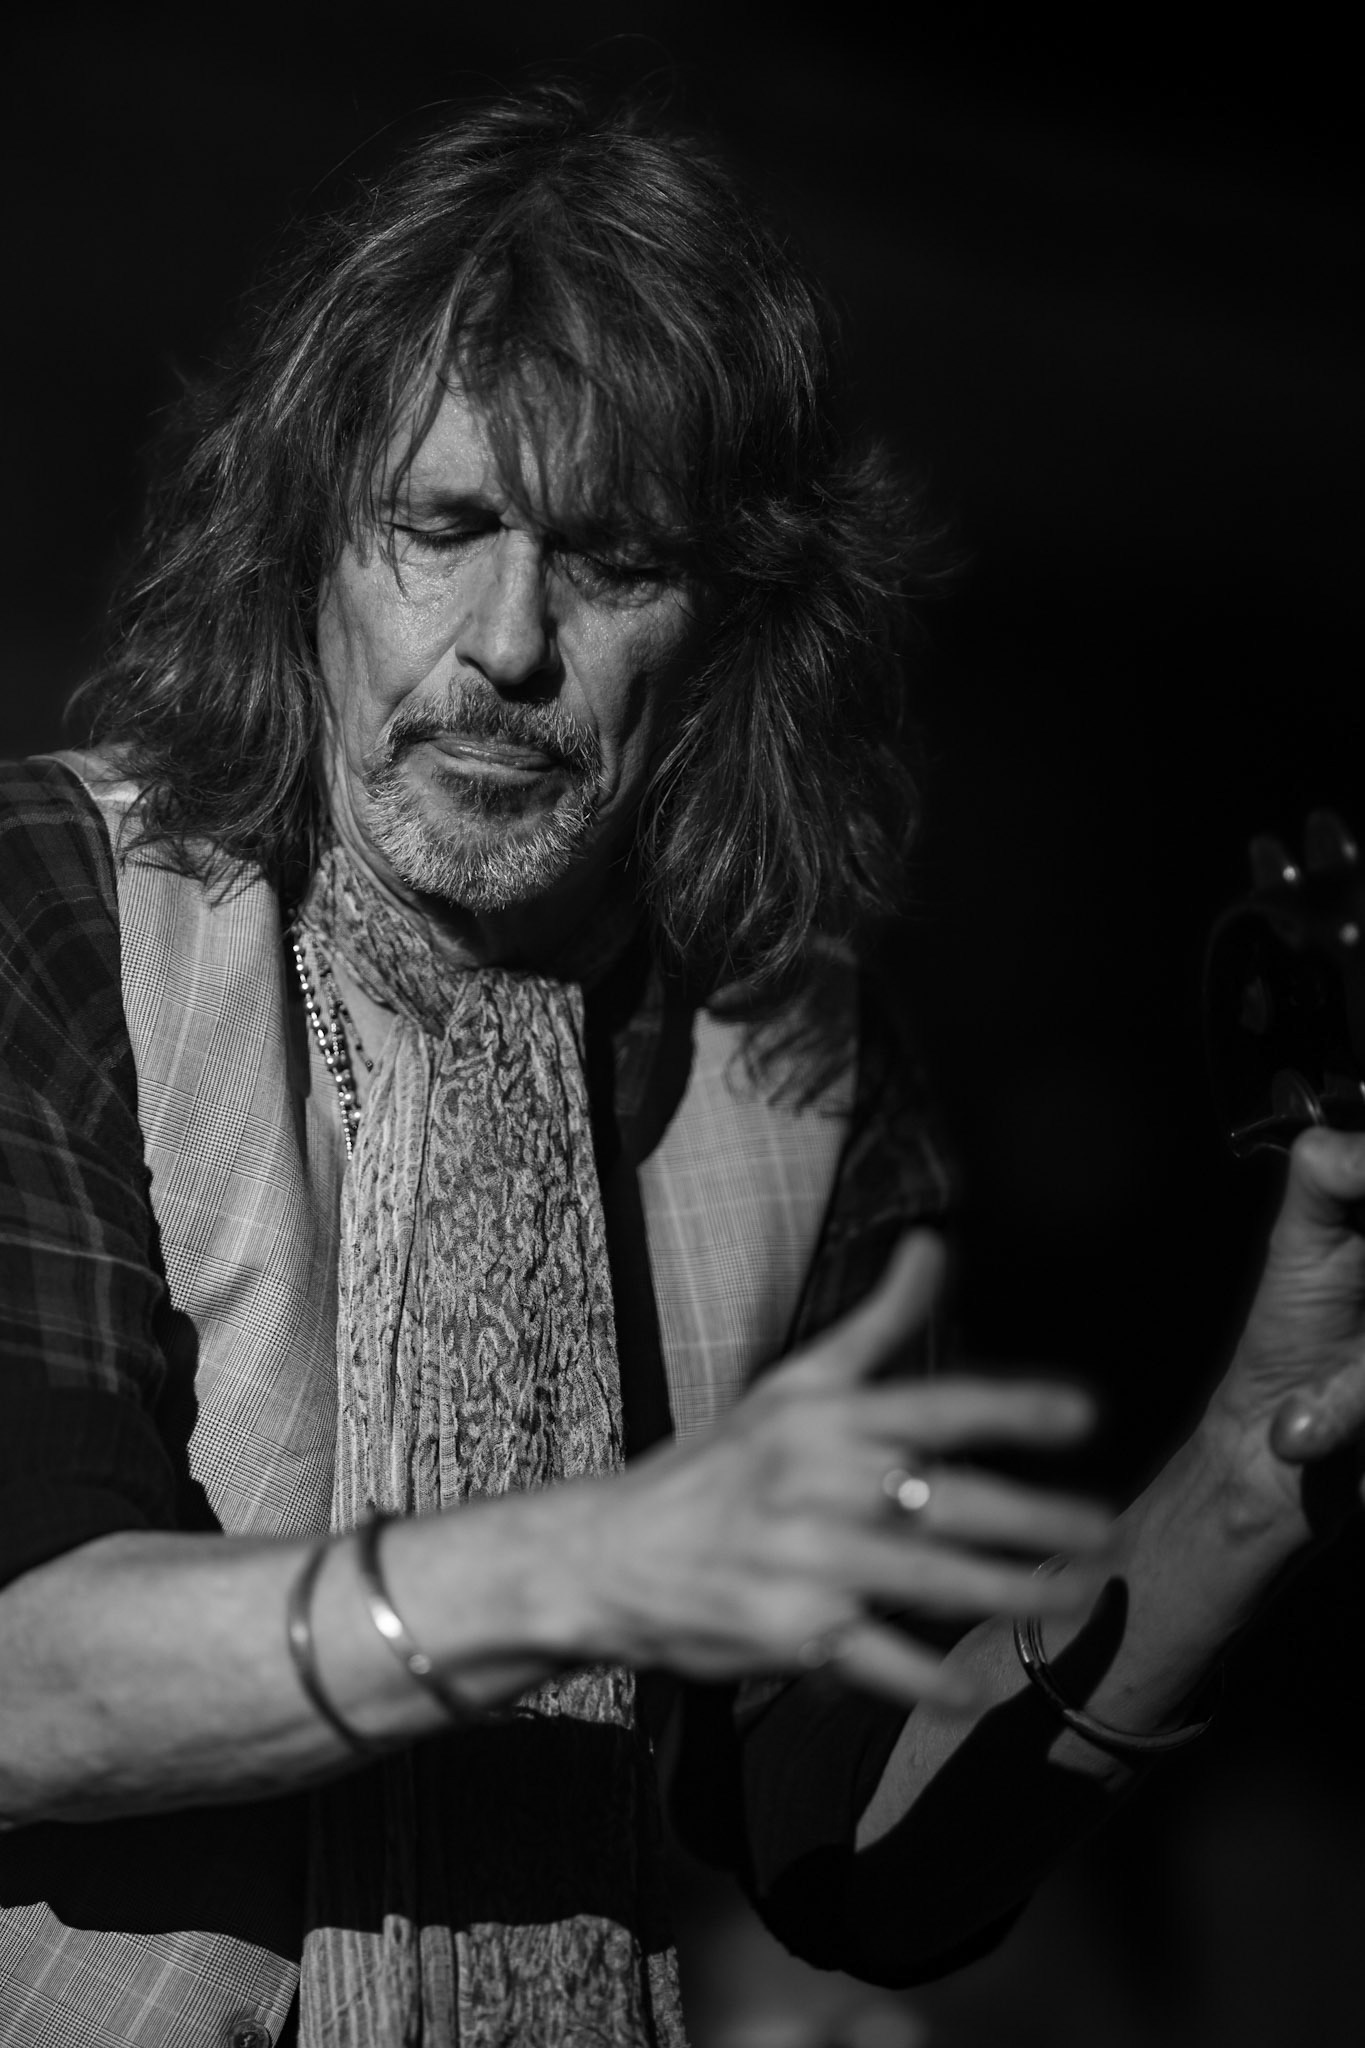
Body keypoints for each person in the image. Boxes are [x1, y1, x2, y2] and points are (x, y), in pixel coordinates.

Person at [0, 84, 1361, 2048]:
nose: (510, 643)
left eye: (612, 560)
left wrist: (1253, 1461)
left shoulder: (793, 1070)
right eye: (441, 529)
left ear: (727, 631)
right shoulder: (58, 905)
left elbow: (862, 1847)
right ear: (306, 546)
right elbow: (27, 1679)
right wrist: (595, 1561)